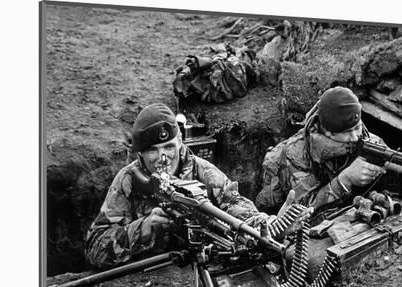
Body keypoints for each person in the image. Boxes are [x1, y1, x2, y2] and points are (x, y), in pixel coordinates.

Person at [86, 103, 297, 269]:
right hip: (149, 275)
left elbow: (235, 207)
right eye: (153, 150)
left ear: (180, 143)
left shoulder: (203, 171)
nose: (162, 158)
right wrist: (143, 229)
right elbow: (95, 249)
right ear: (139, 153)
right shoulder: (129, 180)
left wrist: (270, 224)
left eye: (169, 147)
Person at [255, 86, 402, 213]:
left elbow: (387, 180)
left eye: (358, 127)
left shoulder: (370, 141)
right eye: (347, 133)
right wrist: (345, 180)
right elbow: (300, 210)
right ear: (328, 132)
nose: (355, 137)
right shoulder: (296, 153)